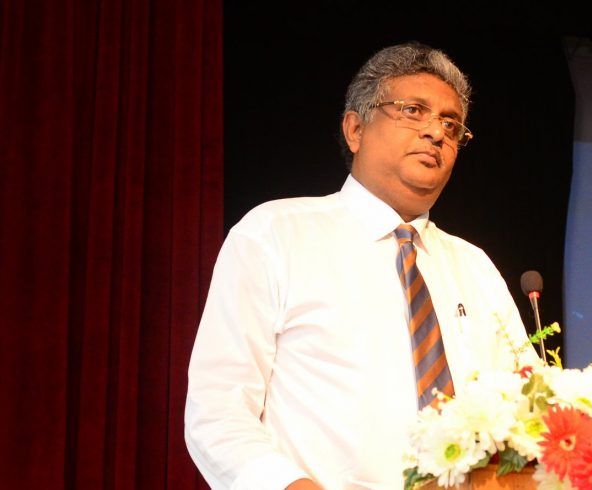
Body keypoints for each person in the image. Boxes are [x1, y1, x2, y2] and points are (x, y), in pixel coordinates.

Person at [184, 42, 537, 490]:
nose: (436, 133)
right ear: (355, 129)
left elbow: (529, 409)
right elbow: (217, 410)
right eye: (413, 111)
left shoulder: (475, 267)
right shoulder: (276, 234)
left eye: (451, 124)